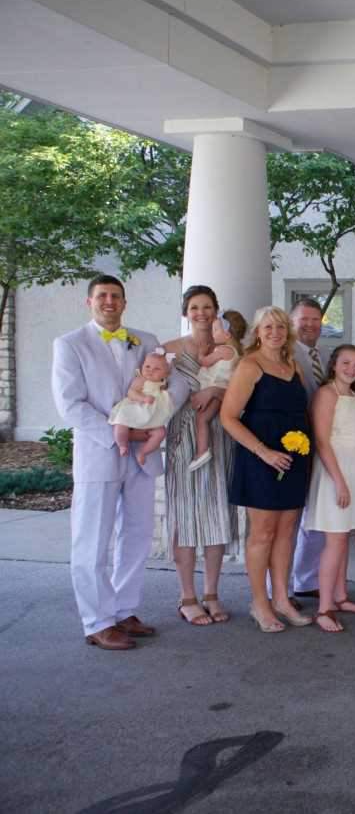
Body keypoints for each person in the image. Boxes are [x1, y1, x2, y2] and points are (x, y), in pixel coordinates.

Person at [53, 274, 190, 649]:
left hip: (142, 457)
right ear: (89, 302)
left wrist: (158, 415)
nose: (109, 302)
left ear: (125, 303)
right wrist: (122, 433)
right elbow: (70, 404)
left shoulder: (145, 341)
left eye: (116, 296)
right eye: (102, 296)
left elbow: (178, 383)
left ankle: (124, 609)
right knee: (92, 540)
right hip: (99, 453)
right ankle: (97, 621)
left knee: (137, 534)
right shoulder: (69, 344)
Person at [221, 305, 313, 633]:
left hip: (294, 459)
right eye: (268, 327)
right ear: (257, 332)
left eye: (280, 327)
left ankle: (282, 599)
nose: (275, 332)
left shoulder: (293, 366)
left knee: (287, 532)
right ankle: (260, 603)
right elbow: (228, 417)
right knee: (263, 534)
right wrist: (264, 452)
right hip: (260, 460)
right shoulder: (250, 365)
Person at [162, 285, 239, 627]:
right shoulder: (169, 350)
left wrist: (216, 389)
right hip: (183, 437)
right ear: (185, 312)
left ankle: (211, 593)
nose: (201, 313)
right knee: (185, 515)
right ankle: (187, 596)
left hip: (219, 434)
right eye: (194, 307)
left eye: (207, 307)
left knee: (216, 512)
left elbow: (242, 385)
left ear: (216, 310)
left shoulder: (230, 347)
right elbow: (151, 384)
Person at [305, 345, 355, 632]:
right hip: (334, 473)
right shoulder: (326, 394)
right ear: (334, 365)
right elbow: (322, 442)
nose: (351, 369)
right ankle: (324, 608)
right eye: (346, 363)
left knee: (345, 537)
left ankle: (340, 596)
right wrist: (339, 481)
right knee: (335, 540)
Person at [287, 298, 329, 602]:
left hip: (323, 444)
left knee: (316, 516)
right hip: (293, 444)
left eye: (316, 319)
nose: (310, 325)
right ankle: (280, 588)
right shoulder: (285, 354)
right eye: (304, 319)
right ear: (292, 322)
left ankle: (305, 579)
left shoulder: (325, 356)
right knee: (289, 520)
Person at [187, 310, 245, 471]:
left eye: (216, 330)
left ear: (227, 334)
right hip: (224, 392)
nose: (212, 333)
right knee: (203, 417)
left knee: (202, 419)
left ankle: (202, 451)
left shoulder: (223, 350)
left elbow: (205, 362)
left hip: (218, 391)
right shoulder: (236, 352)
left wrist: (201, 354)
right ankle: (202, 450)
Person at [107, 351, 174, 466]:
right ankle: (122, 444)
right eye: (147, 366)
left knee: (161, 433)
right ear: (142, 366)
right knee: (120, 424)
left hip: (151, 414)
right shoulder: (141, 379)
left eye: (157, 369)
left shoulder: (162, 383)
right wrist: (143, 398)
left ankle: (143, 452)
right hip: (135, 409)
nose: (150, 370)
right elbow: (131, 392)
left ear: (165, 374)